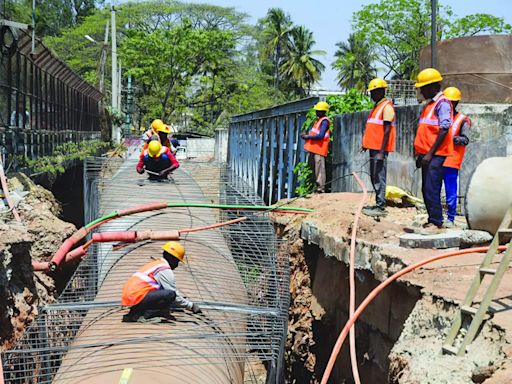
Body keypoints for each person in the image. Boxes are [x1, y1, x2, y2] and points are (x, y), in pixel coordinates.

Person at [413, 68, 454, 234]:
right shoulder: (430, 105)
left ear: (432, 87)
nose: (421, 91)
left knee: (432, 188)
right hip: (427, 154)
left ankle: (436, 222)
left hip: (435, 154)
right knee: (426, 188)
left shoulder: (442, 104)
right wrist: (420, 154)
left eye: (423, 87)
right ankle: (432, 219)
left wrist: (429, 153)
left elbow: (444, 129)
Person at [121, 241, 202, 322]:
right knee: (170, 295)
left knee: (165, 294)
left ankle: (137, 311)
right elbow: (173, 295)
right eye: (177, 261)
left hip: (131, 297)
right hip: (137, 297)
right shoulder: (164, 270)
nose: (177, 265)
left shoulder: (156, 264)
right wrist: (191, 306)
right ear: (172, 258)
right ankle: (145, 316)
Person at [361, 78, 396, 217]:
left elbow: (387, 131)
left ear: (381, 91)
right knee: (375, 176)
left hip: (379, 149)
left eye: (373, 92)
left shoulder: (386, 107)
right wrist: (365, 144)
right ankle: (378, 203)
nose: (371, 95)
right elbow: (372, 128)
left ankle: (381, 206)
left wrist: (382, 151)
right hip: (373, 148)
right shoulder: (377, 107)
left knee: (379, 177)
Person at [442, 87, 471, 228]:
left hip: (452, 160)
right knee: (433, 189)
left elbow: (465, 139)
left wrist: (449, 139)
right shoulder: (440, 117)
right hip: (438, 158)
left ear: (456, 103)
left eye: (450, 102)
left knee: (450, 190)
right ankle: (436, 217)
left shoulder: (462, 120)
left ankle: (451, 218)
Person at [300, 101, 330, 193]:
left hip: (320, 149)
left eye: (317, 110)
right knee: (316, 170)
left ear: (322, 111)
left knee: (320, 170)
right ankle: (317, 188)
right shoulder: (319, 121)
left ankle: (321, 189)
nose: (316, 111)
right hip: (315, 149)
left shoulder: (324, 121)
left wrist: (307, 137)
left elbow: (320, 136)